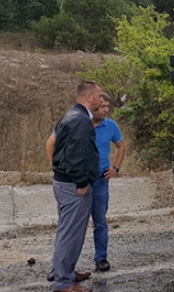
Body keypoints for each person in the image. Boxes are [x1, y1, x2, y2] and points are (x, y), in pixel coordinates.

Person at [46, 93, 126, 280]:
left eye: (107, 106)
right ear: (93, 107)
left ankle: (100, 258)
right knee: (69, 227)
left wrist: (115, 168)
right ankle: (60, 269)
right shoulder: (78, 123)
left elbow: (121, 146)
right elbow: (51, 143)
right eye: (102, 106)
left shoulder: (111, 125)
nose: (106, 110)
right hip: (77, 182)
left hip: (99, 181)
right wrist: (58, 169)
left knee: (99, 221)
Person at [48, 81, 104, 292]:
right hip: (73, 186)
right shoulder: (81, 120)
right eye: (99, 96)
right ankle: (63, 283)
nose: (102, 99)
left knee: (66, 230)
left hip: (64, 183)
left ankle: (65, 271)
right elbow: (75, 156)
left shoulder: (71, 115)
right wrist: (81, 182)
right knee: (72, 233)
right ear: (89, 97)